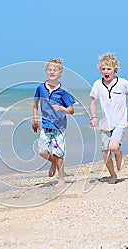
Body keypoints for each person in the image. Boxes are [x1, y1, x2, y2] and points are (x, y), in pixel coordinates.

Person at [89, 52, 128, 184]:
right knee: (105, 153)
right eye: (103, 69)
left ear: (115, 70)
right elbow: (92, 101)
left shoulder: (123, 83)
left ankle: (119, 154)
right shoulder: (97, 84)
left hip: (120, 122)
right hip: (105, 124)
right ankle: (113, 175)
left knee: (113, 147)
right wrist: (94, 117)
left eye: (108, 69)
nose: (105, 71)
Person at [32, 59, 76, 187]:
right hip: (45, 126)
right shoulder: (40, 87)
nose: (52, 72)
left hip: (59, 127)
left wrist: (61, 108)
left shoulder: (63, 91)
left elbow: (71, 110)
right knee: (42, 152)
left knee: (59, 154)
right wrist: (35, 119)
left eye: (55, 70)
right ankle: (53, 162)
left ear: (60, 73)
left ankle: (61, 179)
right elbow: (35, 104)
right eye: (50, 70)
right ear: (46, 72)